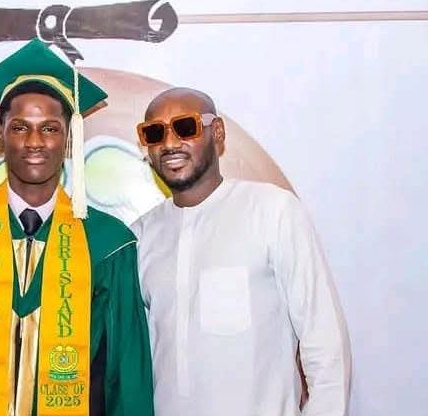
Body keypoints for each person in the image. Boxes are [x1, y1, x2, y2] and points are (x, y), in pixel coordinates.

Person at [0, 39, 154, 416]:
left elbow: (125, 374)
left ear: (68, 137)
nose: (34, 142)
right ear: (0, 136)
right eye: (19, 128)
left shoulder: (107, 242)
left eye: (49, 128)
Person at [131, 88, 351, 416]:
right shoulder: (141, 235)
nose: (170, 143)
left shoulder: (272, 210)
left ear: (217, 132)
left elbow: (325, 343)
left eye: (185, 127)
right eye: (154, 133)